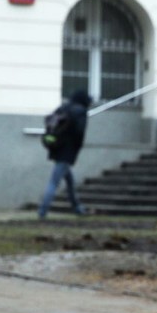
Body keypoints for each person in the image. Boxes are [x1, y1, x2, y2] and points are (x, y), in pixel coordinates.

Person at [38, 90, 92, 218]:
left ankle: (77, 208)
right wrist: (77, 147)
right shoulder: (81, 112)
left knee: (70, 181)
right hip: (67, 150)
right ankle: (42, 211)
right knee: (54, 182)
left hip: (56, 147)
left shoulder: (62, 108)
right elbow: (79, 132)